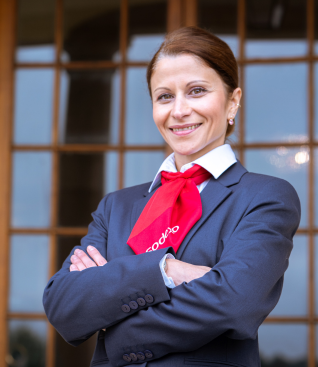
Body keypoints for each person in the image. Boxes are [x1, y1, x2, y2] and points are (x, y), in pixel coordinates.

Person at [43, 27, 301, 367]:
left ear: (232, 101)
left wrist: (111, 316)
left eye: (196, 91)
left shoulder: (265, 197)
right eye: (164, 96)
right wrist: (167, 270)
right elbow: (64, 306)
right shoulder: (116, 207)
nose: (179, 111)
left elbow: (234, 304)